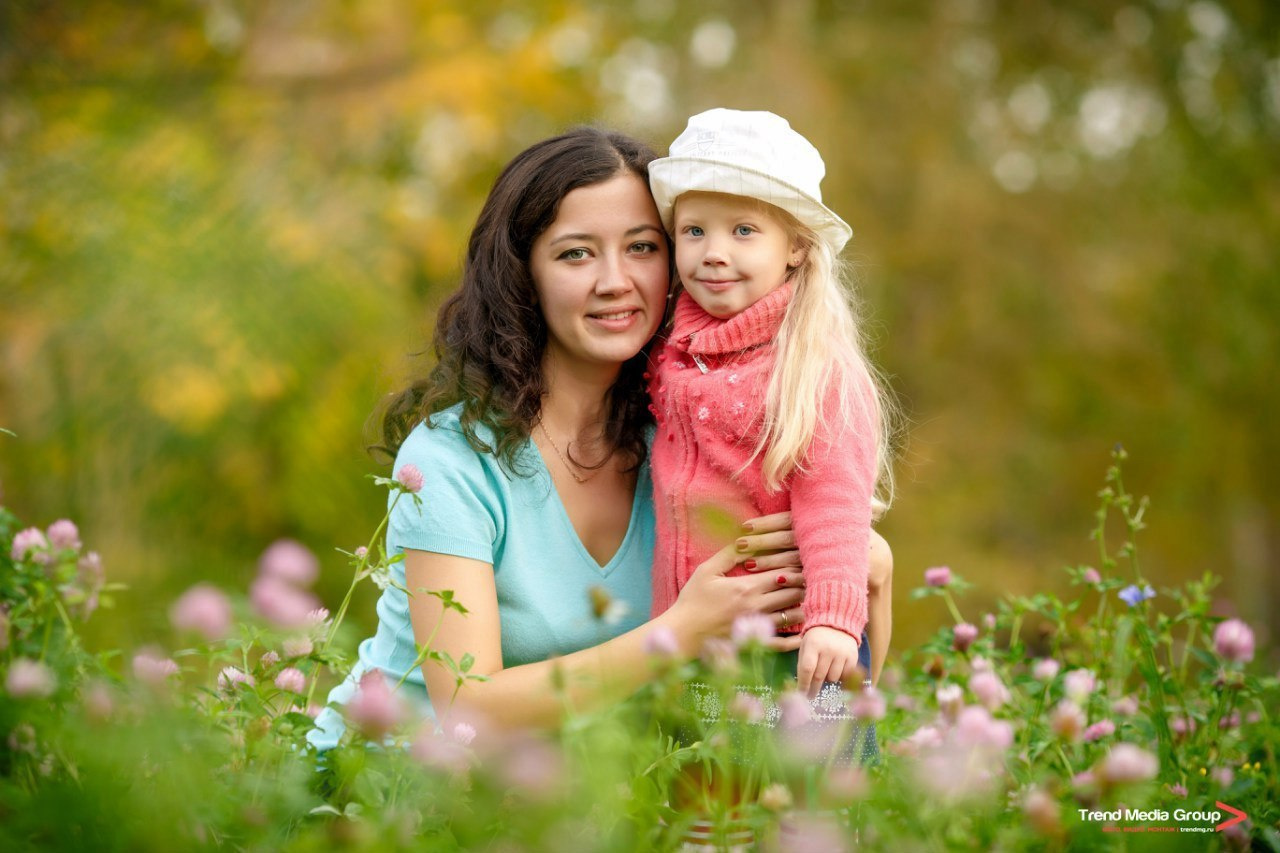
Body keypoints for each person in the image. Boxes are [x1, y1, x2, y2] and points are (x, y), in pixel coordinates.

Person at [647, 108, 896, 697]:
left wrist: (833, 621)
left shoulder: (810, 366)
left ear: (797, 249)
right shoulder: (672, 354)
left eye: (743, 231)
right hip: (694, 640)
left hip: (796, 642)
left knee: (815, 784)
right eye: (694, 230)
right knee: (701, 787)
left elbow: (834, 503)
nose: (712, 251)